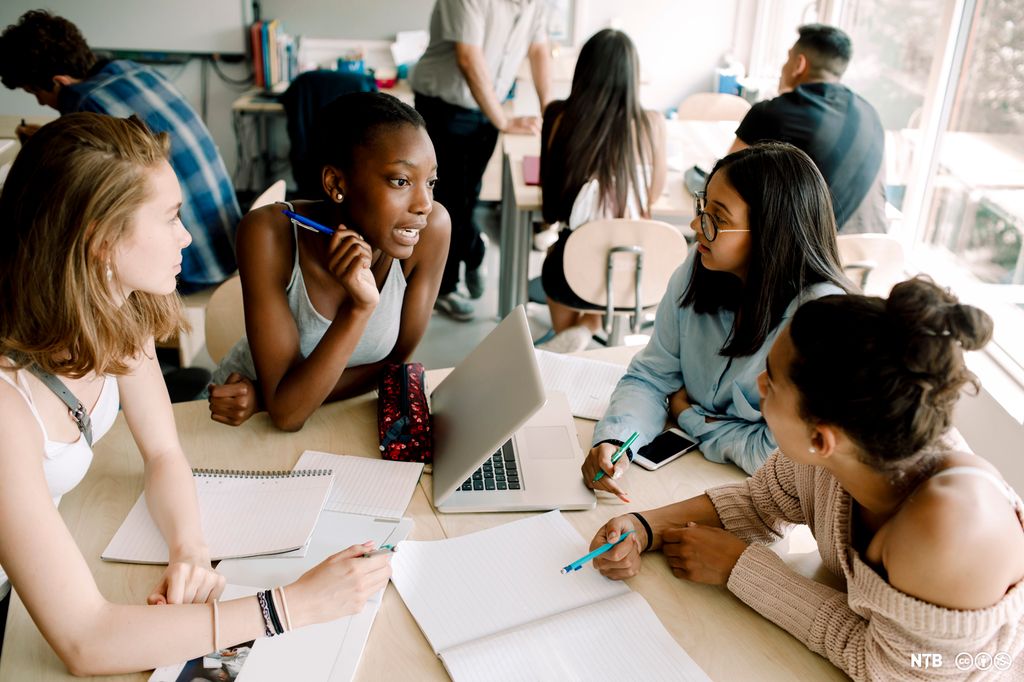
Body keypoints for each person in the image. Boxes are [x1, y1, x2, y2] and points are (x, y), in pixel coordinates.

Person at [0, 113, 391, 673]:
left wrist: (188, 550)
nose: (186, 236)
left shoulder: (114, 307)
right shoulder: (6, 406)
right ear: (100, 241)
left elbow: (163, 452)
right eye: (170, 218)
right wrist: (293, 605)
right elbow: (85, 641)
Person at [588, 278, 1024, 680]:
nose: (758, 383)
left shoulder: (949, 528)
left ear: (820, 438)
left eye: (772, 382)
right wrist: (643, 526)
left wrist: (742, 569)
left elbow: (887, 669)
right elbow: (761, 503)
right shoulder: (854, 445)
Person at [582, 142, 853, 501]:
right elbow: (650, 376)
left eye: (718, 218)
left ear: (771, 232)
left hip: (756, 500)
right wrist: (616, 441)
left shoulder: (818, 319)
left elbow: (777, 457)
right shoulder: (701, 265)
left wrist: (687, 415)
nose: (696, 226)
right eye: (702, 206)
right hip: (688, 479)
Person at [206, 92, 449, 431]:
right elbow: (287, 416)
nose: (424, 203)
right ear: (336, 183)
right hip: (241, 414)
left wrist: (271, 398)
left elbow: (394, 365)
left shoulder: (431, 230)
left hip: (317, 412)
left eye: (431, 182)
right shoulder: (268, 234)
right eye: (401, 181)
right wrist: (358, 310)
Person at [0, 10, 241, 292]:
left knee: (62, 244)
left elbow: (72, 190)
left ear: (59, 82)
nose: (41, 104)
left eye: (35, 93)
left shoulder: (84, 103)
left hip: (190, 267)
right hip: (227, 244)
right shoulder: (133, 70)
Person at [411, 0, 552, 321]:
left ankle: (454, 271)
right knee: (443, 201)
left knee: (466, 196)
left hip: (488, 109)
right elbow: (468, 57)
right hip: (445, 108)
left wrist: (550, 111)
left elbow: (539, 51)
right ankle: (466, 262)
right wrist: (503, 120)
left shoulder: (537, 5)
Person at [536, 28, 667, 354]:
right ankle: (591, 327)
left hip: (569, 268)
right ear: (632, 75)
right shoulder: (652, 123)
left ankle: (580, 331)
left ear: (583, 70)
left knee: (563, 258)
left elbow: (550, 206)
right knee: (602, 277)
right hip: (631, 276)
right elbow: (651, 197)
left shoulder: (557, 115)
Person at [729, 24, 886, 235]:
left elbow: (726, 183)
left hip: (810, 260)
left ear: (799, 64)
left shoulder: (772, 113)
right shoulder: (870, 114)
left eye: (788, 58)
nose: (782, 67)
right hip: (873, 257)